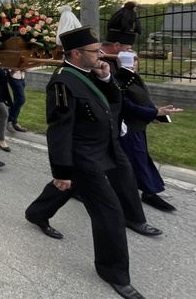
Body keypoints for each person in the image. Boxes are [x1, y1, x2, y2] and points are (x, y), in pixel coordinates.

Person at [25, 26, 159, 299]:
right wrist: (62, 170)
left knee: (120, 181)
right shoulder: (63, 82)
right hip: (84, 156)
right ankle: (113, 272)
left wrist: (107, 77)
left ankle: (37, 212)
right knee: (108, 213)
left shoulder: (92, 73)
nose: (101, 54)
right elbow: (59, 129)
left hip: (108, 146)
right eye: (94, 51)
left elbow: (114, 102)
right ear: (76, 53)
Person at [115, 51, 182, 212]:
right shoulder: (120, 82)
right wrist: (154, 113)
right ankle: (148, 193)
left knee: (139, 159)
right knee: (136, 161)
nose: (135, 64)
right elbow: (128, 106)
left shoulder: (134, 79)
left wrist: (154, 114)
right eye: (132, 61)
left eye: (136, 61)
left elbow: (144, 100)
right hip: (127, 129)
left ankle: (148, 191)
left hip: (138, 127)